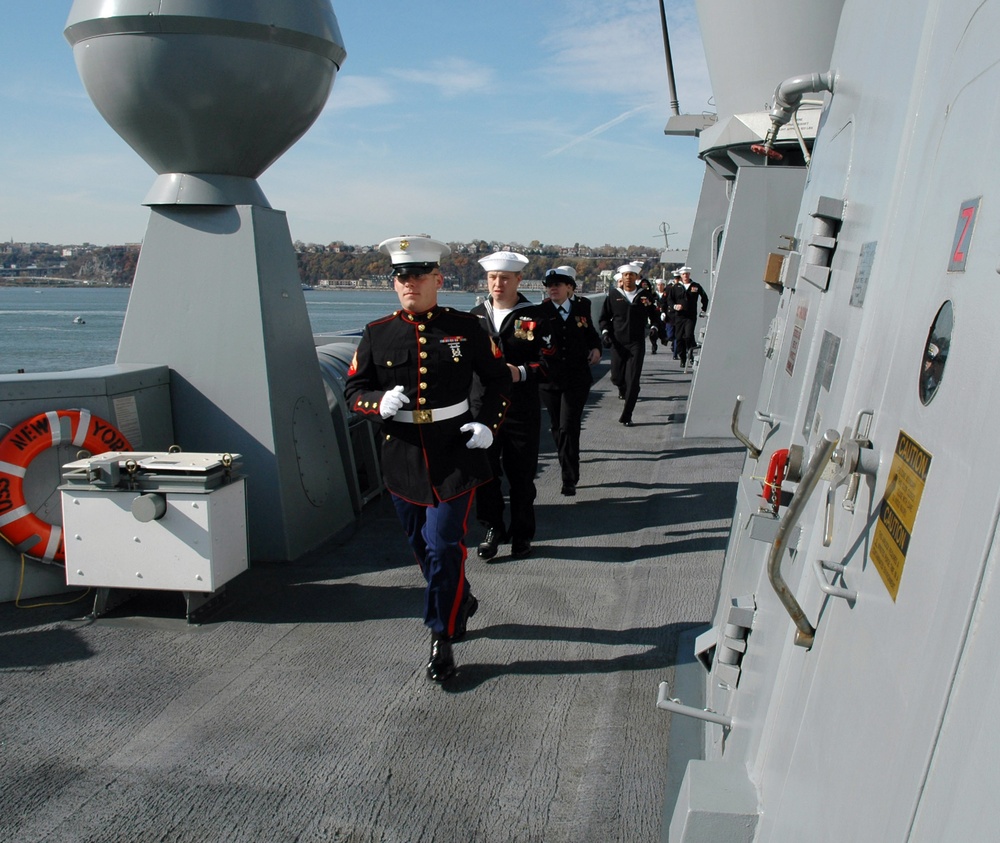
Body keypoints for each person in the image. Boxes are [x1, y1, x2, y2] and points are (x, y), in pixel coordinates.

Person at [345, 235, 512, 682]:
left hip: (455, 452)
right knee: (422, 547)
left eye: (418, 276)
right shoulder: (378, 334)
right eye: (401, 277)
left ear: (438, 279)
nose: (409, 284)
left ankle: (442, 634)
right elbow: (353, 391)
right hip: (402, 457)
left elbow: (498, 380)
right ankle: (461, 597)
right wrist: (376, 402)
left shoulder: (466, 328)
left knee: (444, 545)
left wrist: (487, 425)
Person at [471, 250, 549, 560]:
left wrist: (521, 372)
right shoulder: (474, 318)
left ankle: (522, 533)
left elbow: (551, 363)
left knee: (521, 475)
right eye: (492, 278)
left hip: (521, 409)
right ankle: (492, 529)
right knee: (486, 474)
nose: (497, 283)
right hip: (482, 409)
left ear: (518, 279)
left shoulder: (538, 316)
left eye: (504, 278)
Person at [537, 267, 602, 496]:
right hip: (550, 380)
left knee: (569, 426)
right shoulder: (539, 311)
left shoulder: (582, 307)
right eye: (549, 284)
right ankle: (567, 463)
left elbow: (590, 333)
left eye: (558, 284)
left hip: (576, 378)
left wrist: (596, 347)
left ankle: (569, 477)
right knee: (556, 427)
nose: (552, 288)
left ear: (570, 288)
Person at [598, 263, 659, 426]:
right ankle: (622, 388)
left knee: (633, 379)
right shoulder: (613, 295)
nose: (628, 278)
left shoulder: (644, 295)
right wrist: (605, 333)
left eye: (632, 275)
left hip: (636, 343)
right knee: (616, 377)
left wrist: (654, 326)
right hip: (618, 343)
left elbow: (654, 315)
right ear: (622, 277)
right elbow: (604, 318)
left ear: (637, 277)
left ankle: (627, 414)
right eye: (626, 275)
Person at [665, 266, 709, 372]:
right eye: (683, 274)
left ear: (689, 275)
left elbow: (704, 298)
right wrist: (674, 306)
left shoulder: (695, 286)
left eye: (687, 274)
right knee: (679, 338)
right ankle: (683, 358)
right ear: (681, 275)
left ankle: (690, 355)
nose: (685, 276)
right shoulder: (675, 287)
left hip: (690, 316)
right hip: (679, 316)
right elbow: (669, 300)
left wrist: (703, 309)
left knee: (688, 336)